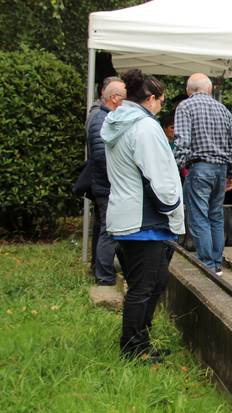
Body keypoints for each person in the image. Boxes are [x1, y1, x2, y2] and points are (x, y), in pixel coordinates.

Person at [101, 69, 185, 361]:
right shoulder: (145, 127)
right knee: (142, 287)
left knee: (156, 281)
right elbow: (157, 175)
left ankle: (140, 341)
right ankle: (132, 348)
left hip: (130, 215)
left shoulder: (118, 122)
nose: (161, 107)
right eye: (161, 101)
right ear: (150, 99)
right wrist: (173, 207)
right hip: (144, 220)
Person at [174, 73, 232, 275]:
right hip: (221, 169)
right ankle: (216, 262)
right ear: (210, 89)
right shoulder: (224, 110)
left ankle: (207, 265)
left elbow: (182, 142)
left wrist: (177, 167)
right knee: (216, 216)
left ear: (189, 91)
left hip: (200, 168)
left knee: (199, 217)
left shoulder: (185, 107)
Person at [87, 76, 126, 286]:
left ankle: (101, 270)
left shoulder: (102, 117)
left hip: (103, 183)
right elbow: (102, 156)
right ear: (113, 97)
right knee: (109, 230)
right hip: (106, 184)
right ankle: (104, 276)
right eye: (124, 98)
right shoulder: (102, 120)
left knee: (106, 227)